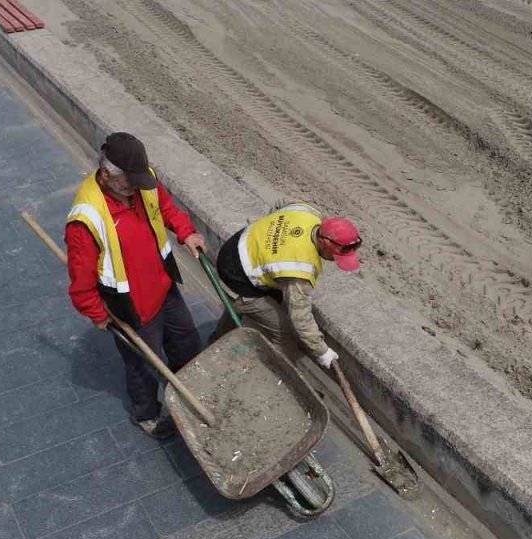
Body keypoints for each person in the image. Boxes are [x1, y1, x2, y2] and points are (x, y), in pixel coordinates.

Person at [65, 132, 208, 439]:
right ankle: (147, 415)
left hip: (163, 287)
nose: (136, 188)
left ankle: (191, 393)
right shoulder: (86, 218)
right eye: (128, 182)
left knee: (187, 341)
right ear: (106, 174)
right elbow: (81, 280)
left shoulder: (143, 182)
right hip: (132, 307)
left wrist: (186, 232)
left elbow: (167, 209)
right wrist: (97, 313)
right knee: (143, 365)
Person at [211, 201, 361, 369]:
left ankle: (217, 338)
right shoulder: (299, 269)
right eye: (335, 256)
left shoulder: (308, 213)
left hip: (236, 246)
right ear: (324, 243)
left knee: (267, 301)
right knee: (285, 333)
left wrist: (271, 238)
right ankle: (283, 376)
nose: (335, 260)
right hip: (236, 279)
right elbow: (300, 318)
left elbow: (280, 204)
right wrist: (322, 351)